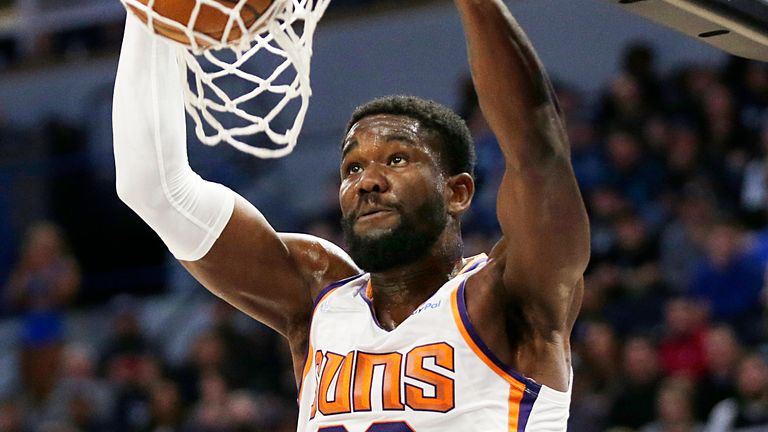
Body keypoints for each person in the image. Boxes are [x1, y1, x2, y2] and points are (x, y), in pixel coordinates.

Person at [112, 0, 590, 430]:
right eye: (352, 166)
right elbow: (155, 189)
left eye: (398, 159)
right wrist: (148, 13)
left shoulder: (509, 296)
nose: (367, 180)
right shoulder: (317, 294)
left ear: (458, 192)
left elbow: (537, 152)